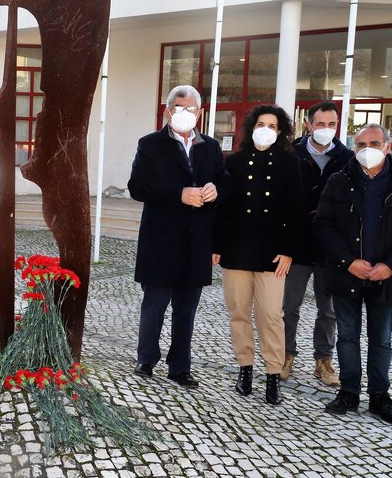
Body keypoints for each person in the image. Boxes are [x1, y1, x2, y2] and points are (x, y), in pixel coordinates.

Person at [315, 124, 392, 426]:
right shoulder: (339, 180)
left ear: (388, 146)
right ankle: (349, 392)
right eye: (360, 144)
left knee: (381, 340)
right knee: (347, 337)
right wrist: (347, 261)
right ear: (353, 148)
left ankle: (380, 396)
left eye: (374, 143)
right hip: (347, 274)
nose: (367, 149)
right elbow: (323, 225)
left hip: (387, 278)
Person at [128, 85, 230, 390]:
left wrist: (216, 190)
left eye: (191, 108)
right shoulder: (150, 144)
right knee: (155, 304)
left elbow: (225, 183)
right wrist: (178, 194)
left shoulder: (210, 147)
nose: (185, 113)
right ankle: (146, 359)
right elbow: (137, 187)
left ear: (200, 113)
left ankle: (180, 367)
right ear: (167, 110)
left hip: (196, 242)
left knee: (187, 309)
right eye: (179, 107)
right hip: (161, 241)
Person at [213, 104, 302, 405]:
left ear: (280, 131)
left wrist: (289, 251)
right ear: (251, 127)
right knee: (238, 312)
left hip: (272, 254)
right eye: (260, 123)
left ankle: (273, 375)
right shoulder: (234, 161)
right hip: (236, 250)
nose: (265, 129)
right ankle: (245, 369)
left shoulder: (290, 163)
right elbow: (221, 208)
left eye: (272, 125)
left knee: (270, 315)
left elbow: (296, 212)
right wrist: (215, 246)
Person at [281, 101, 353, 385]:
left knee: (329, 309)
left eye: (331, 124)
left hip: (331, 248)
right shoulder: (291, 154)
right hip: (296, 246)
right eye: (320, 124)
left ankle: (323, 360)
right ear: (309, 125)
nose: (326, 130)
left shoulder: (348, 158)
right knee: (289, 306)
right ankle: (285, 355)